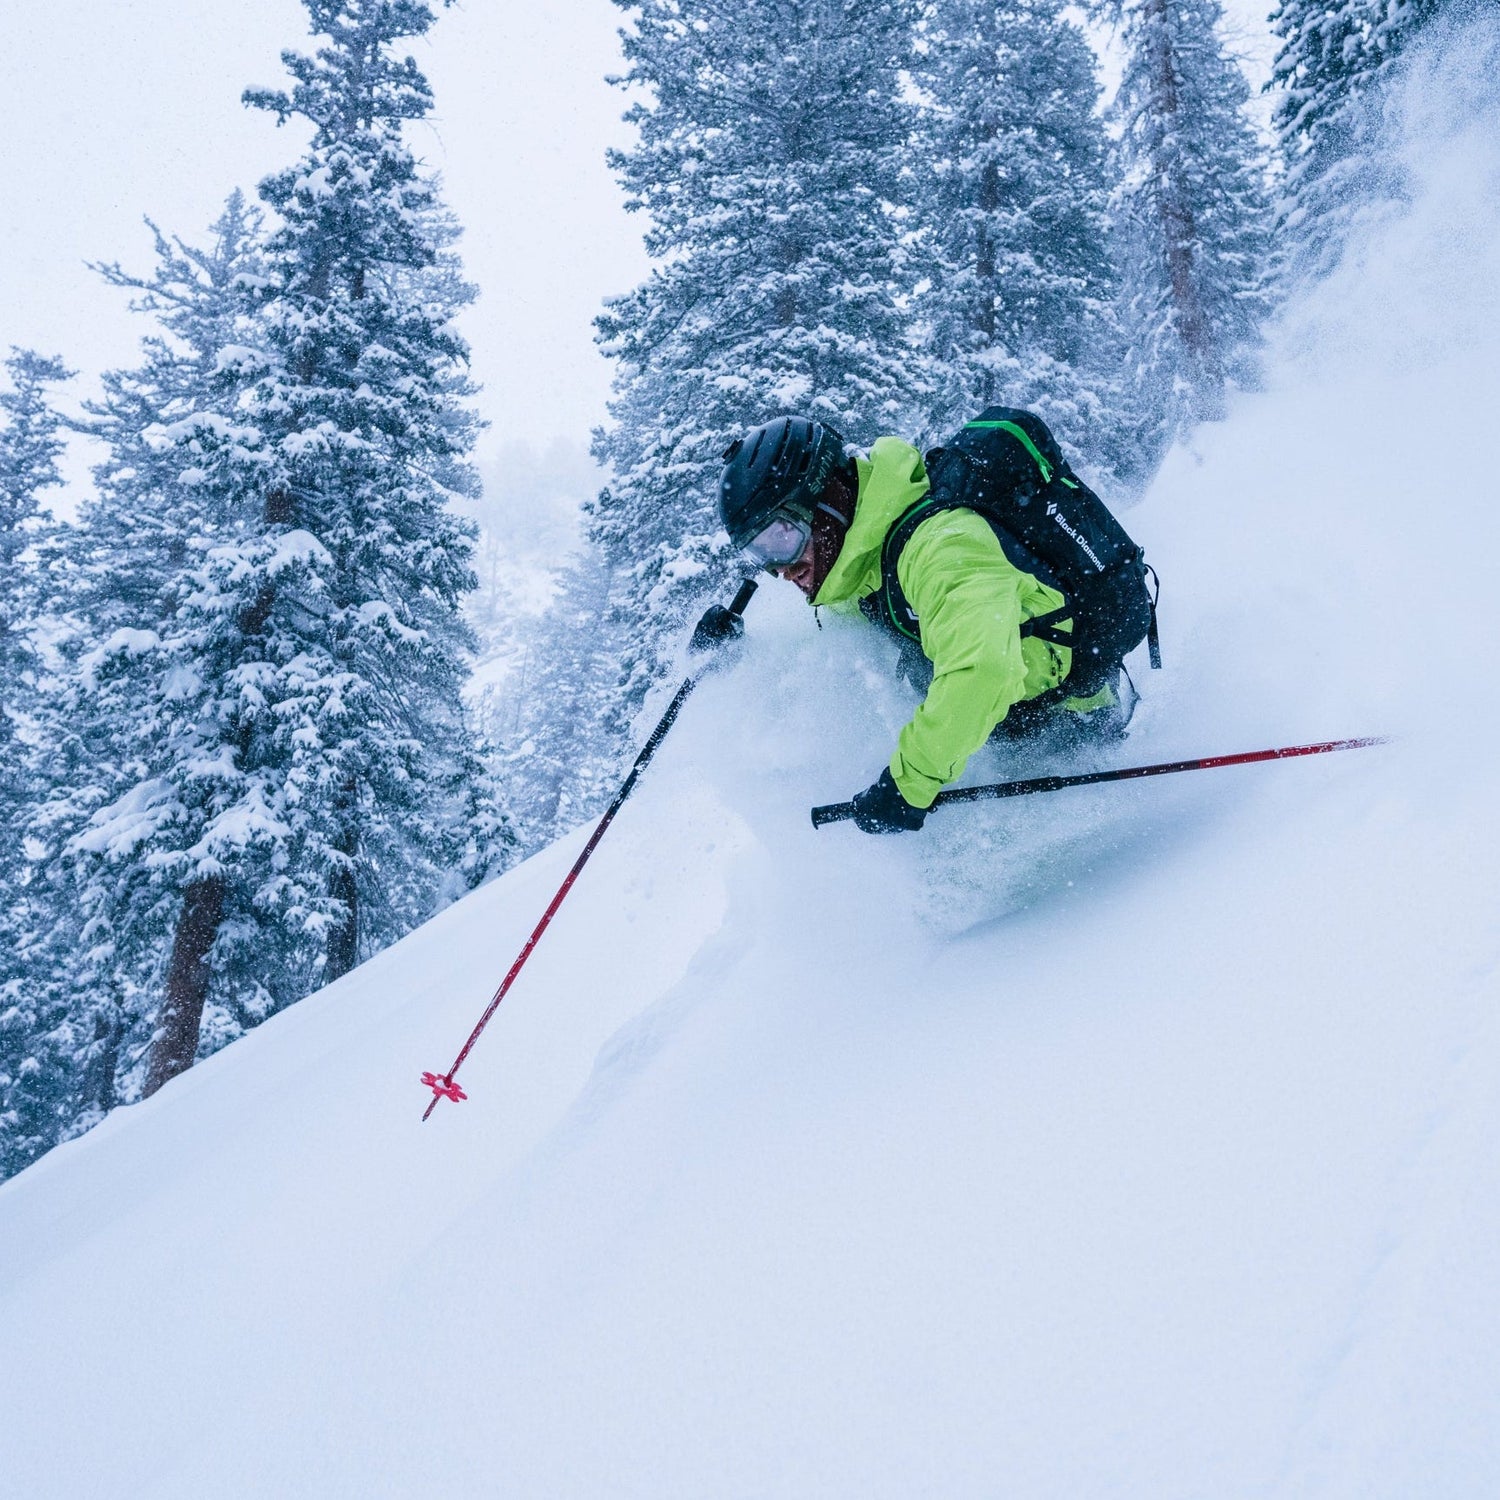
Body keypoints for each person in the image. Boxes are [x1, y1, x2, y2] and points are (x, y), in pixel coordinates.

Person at [698, 412, 1150, 834]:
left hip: (1075, 726)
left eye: (782, 537)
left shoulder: (942, 547)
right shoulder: (859, 564)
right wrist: (736, 652)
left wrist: (908, 784)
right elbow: (825, 647)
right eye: (762, 553)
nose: (782, 568)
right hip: (1002, 729)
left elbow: (982, 671)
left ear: (829, 498)